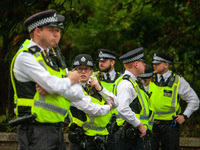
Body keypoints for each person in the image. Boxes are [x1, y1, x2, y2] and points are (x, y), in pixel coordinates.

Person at [10, 9, 90, 150]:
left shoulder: (53, 58)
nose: (57, 34)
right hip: (35, 130)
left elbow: (78, 94)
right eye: (52, 30)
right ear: (38, 31)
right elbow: (55, 85)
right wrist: (69, 80)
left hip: (56, 129)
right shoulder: (26, 57)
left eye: (58, 31)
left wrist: (58, 87)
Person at [148, 51, 200, 150]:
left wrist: (185, 115)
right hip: (152, 125)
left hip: (170, 126)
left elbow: (194, 100)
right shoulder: (150, 78)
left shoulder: (178, 81)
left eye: (157, 63)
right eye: (154, 63)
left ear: (166, 65)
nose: (154, 65)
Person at [68, 54, 118, 150]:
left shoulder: (95, 86)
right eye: (79, 69)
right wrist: (109, 107)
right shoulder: (72, 88)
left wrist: (100, 89)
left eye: (86, 69)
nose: (83, 72)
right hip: (81, 141)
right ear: (73, 71)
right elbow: (91, 109)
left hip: (99, 140)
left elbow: (116, 102)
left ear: (91, 72)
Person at [113, 47, 152, 150]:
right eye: (142, 62)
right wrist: (139, 124)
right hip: (127, 137)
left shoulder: (133, 82)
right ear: (136, 64)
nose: (145, 65)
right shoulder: (127, 84)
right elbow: (122, 108)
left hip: (131, 134)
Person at [93, 49, 121, 150]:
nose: (101, 63)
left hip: (117, 127)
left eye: (104, 61)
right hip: (98, 124)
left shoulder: (122, 79)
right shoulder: (93, 77)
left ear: (112, 62)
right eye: (100, 61)